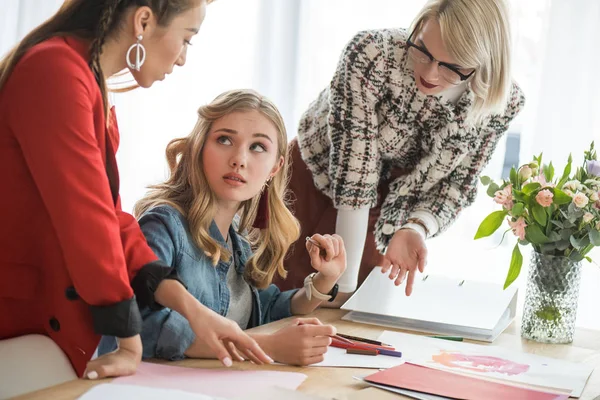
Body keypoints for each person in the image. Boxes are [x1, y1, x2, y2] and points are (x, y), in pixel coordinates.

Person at [0, 0, 272, 380]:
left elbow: (113, 219)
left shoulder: (90, 86)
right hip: (20, 323)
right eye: (186, 39)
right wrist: (128, 337)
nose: (181, 60)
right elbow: (87, 222)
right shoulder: (56, 71)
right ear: (143, 20)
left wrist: (195, 311)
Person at [276, 0, 526, 303]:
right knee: (272, 300)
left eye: (452, 68)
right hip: (311, 180)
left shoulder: (501, 103)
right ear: (420, 26)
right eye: (422, 49)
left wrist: (416, 225)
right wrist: (343, 285)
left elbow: (457, 185)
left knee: (352, 318)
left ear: (483, 64)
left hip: (388, 206)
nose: (431, 74)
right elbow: (355, 181)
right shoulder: (372, 54)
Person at [99, 89, 346, 365]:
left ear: (274, 168)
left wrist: (324, 280)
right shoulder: (163, 226)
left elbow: (264, 309)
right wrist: (266, 347)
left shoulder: (237, 238)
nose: (239, 158)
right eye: (224, 140)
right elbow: (138, 326)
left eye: (257, 147)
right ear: (200, 147)